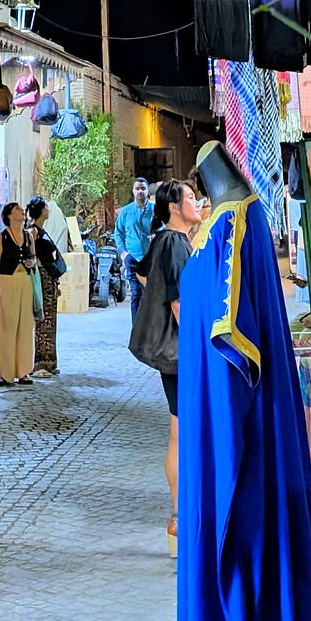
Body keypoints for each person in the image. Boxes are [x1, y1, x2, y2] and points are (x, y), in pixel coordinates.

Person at [128, 179, 203, 556]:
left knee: (181, 430)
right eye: (190, 197)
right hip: (182, 353)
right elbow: (179, 303)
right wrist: (199, 348)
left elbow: (142, 274)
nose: (197, 202)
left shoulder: (165, 240)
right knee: (181, 432)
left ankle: (181, 516)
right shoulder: (174, 243)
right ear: (174, 207)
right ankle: (179, 518)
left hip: (175, 354)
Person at [0, 202, 37, 388]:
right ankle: (4, 372)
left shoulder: (28, 236)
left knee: (25, 326)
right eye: (17, 209)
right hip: (7, 282)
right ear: (9, 215)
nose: (21, 212)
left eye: (21, 210)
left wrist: (31, 262)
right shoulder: (2, 238)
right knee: (5, 328)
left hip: (24, 280)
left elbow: (33, 258)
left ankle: (23, 371)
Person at [27, 196, 67, 378]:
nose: (48, 210)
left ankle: (50, 361)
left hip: (49, 281)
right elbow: (31, 256)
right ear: (42, 211)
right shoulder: (33, 231)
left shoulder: (42, 230)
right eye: (46, 208)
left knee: (50, 320)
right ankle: (39, 363)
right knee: (42, 321)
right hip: (41, 280)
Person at [114, 177, 154, 321]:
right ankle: (136, 331)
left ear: (148, 191)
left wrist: (156, 235)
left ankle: (150, 330)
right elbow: (118, 233)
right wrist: (123, 253)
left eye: (143, 188)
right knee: (136, 294)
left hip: (151, 259)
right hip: (133, 258)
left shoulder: (155, 209)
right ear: (133, 191)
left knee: (151, 295)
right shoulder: (126, 211)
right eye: (137, 189)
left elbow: (163, 227)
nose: (140, 191)